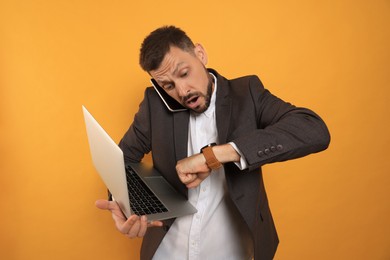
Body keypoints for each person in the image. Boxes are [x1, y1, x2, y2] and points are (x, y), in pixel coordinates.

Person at [95, 25, 330, 260]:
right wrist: (125, 205)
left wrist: (216, 155)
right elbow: (122, 160)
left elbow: (313, 129)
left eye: (184, 73)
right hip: (167, 251)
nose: (182, 90)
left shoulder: (247, 93)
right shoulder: (154, 105)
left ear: (200, 54)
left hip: (232, 252)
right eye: (168, 86)